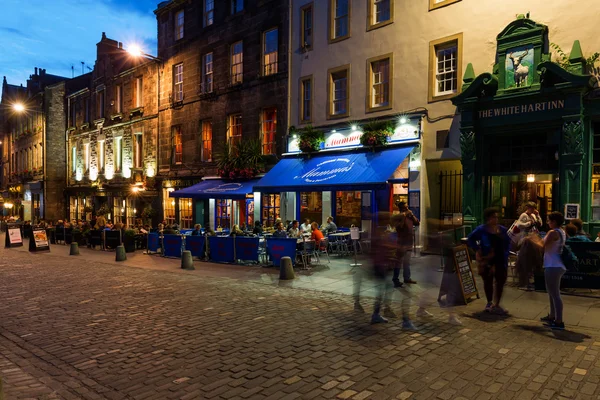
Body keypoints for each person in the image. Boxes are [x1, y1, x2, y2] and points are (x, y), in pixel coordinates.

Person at [467, 207, 511, 314]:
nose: (495, 219)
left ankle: (497, 303)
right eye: (493, 217)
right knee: (488, 281)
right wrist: (478, 250)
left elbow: (508, 242)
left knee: (500, 281)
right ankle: (489, 302)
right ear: (488, 218)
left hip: (500, 258)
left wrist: (507, 253)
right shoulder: (482, 229)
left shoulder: (502, 230)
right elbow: (470, 239)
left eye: (496, 217)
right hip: (488, 259)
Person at [540, 211, 567, 330]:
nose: (548, 223)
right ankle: (552, 316)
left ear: (554, 221)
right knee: (551, 292)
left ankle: (559, 321)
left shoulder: (552, 232)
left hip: (552, 265)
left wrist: (532, 238)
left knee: (555, 294)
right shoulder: (562, 231)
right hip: (557, 264)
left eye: (549, 220)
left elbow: (541, 245)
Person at [515, 201, 544, 291]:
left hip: (534, 237)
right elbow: (518, 224)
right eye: (531, 208)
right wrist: (528, 223)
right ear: (528, 208)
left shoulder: (534, 215)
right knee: (526, 258)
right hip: (526, 238)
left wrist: (538, 216)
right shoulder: (524, 215)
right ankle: (525, 281)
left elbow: (540, 224)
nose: (532, 210)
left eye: (534, 208)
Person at [392, 201, 420, 287]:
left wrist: (411, 215)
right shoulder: (398, 217)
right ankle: (395, 279)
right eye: (405, 208)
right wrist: (404, 216)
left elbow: (417, 223)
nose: (408, 209)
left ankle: (407, 278)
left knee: (407, 262)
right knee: (398, 261)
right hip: (401, 243)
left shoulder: (410, 216)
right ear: (401, 209)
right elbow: (399, 227)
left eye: (407, 207)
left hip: (409, 242)